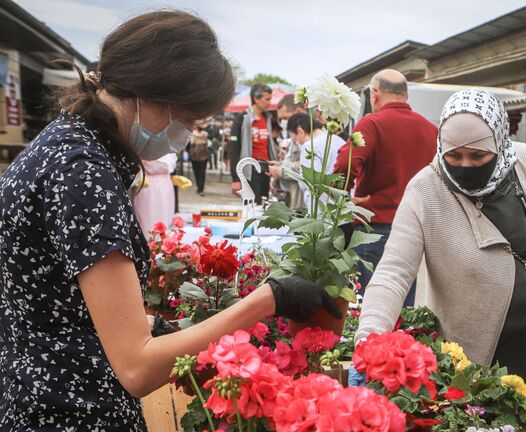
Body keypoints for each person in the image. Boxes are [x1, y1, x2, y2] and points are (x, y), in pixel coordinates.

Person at [0, 11, 341, 431]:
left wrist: (166, 327)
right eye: (190, 120)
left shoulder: (66, 144)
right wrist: (267, 300)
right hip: (72, 412)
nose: (189, 132)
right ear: (154, 94)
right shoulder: (82, 174)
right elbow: (137, 368)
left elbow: (59, 305)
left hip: (37, 393)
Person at [351, 89, 526, 424]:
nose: (465, 165)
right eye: (454, 155)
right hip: (470, 356)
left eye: (478, 156)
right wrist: (368, 342)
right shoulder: (425, 190)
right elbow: (393, 272)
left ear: (500, 141)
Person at [333, 69, 437, 306]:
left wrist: (343, 196)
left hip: (375, 224)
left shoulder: (371, 123)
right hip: (413, 229)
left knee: (369, 303)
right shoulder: (430, 130)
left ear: (375, 94)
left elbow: (344, 164)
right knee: (402, 302)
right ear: (406, 96)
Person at [283, 112, 345, 210]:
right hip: (343, 208)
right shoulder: (339, 140)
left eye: (295, 139)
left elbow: (310, 186)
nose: (297, 142)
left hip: (323, 212)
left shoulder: (309, 146)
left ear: (300, 131)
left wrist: (312, 217)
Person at [230, 83, 276, 202]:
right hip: (250, 169)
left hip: (265, 167)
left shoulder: (268, 118)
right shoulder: (242, 118)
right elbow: (234, 149)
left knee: (264, 204)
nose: (269, 102)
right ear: (256, 98)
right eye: (267, 99)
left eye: (270, 99)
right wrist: (235, 179)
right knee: (252, 206)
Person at [132, 153, 178, 238]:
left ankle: (164, 245)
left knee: (165, 217)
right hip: (148, 185)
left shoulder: (170, 150)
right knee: (147, 219)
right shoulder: (142, 147)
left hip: (166, 185)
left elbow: (169, 166)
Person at [188, 124, 209, 195]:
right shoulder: (205, 134)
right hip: (203, 154)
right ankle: (200, 188)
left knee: (197, 171)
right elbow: (206, 143)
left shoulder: (192, 134)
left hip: (195, 154)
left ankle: (199, 187)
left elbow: (191, 143)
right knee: (201, 172)